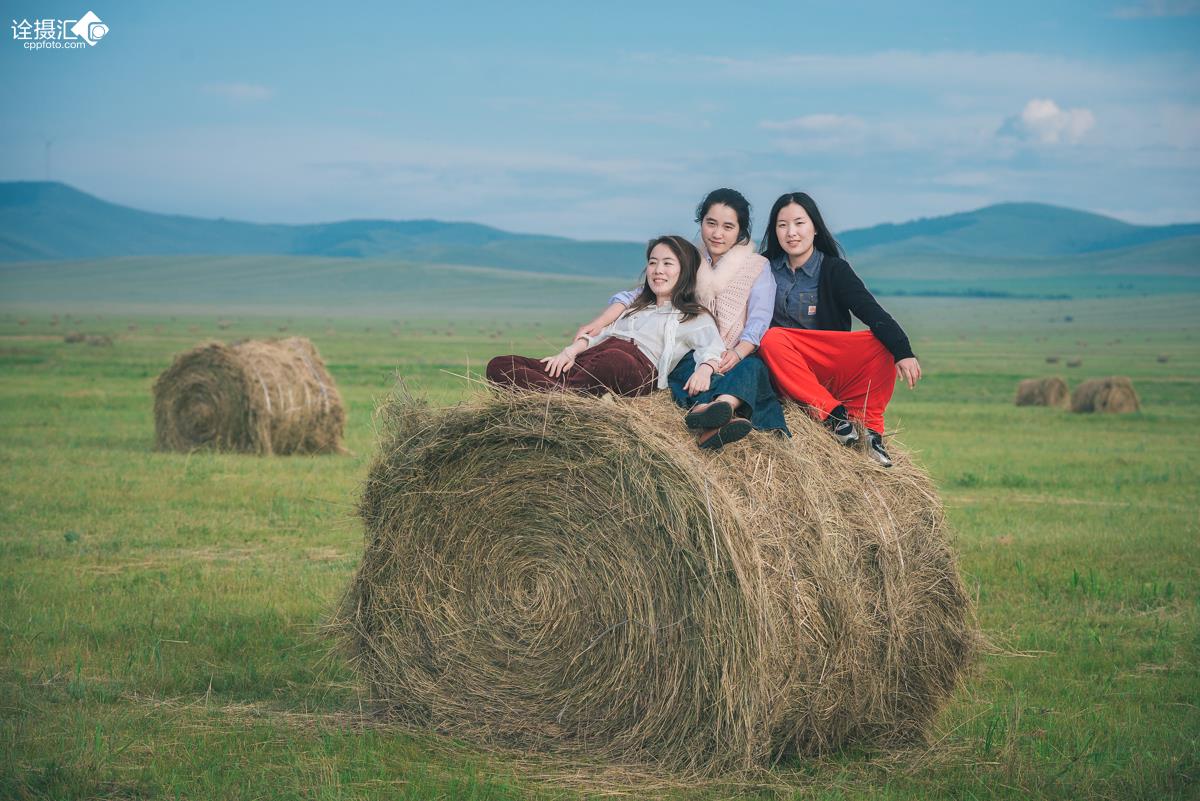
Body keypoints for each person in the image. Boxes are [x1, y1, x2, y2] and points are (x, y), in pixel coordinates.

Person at [486, 235, 753, 449]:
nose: (658, 270)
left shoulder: (693, 316)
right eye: (652, 263)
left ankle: (555, 401)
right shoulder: (633, 306)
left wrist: (705, 369)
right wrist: (570, 351)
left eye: (667, 263)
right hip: (591, 360)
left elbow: (712, 348)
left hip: (634, 367)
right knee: (500, 365)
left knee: (614, 360)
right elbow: (600, 335)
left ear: (685, 271)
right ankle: (564, 400)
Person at [575, 189, 788, 446]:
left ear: (741, 231)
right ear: (701, 223)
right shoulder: (688, 258)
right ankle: (718, 418)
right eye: (711, 223)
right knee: (684, 370)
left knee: (754, 368)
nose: (717, 233)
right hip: (690, 346)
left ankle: (716, 410)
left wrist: (738, 353)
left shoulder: (756, 266)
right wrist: (599, 324)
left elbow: (759, 319)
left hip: (734, 350)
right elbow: (636, 294)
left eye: (728, 227)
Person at [756, 192, 922, 467]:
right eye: (782, 225)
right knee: (771, 339)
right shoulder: (761, 268)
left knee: (880, 343)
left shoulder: (834, 270)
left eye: (799, 223)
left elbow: (870, 310)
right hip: (782, 367)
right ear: (775, 231)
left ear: (815, 228)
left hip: (826, 362)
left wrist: (902, 350)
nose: (791, 232)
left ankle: (869, 431)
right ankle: (833, 416)